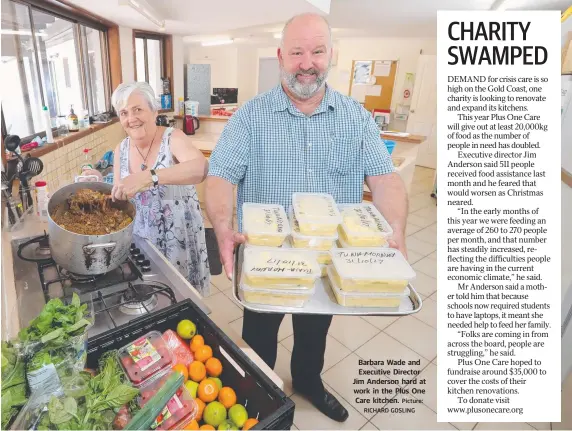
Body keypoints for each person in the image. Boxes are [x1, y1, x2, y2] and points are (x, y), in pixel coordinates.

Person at [205, 13, 408, 422]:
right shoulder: (251, 116)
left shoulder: (356, 117)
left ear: (330, 54)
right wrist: (223, 226)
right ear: (281, 56)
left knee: (314, 333)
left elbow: (385, 180)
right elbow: (220, 175)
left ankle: (307, 381)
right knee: (259, 337)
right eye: (297, 52)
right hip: (267, 259)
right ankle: (261, 398)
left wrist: (397, 229)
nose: (307, 62)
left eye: (316, 51)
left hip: (326, 259)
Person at [111, 82, 211, 296]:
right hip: (142, 241)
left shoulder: (173, 138)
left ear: (154, 110)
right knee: (153, 299)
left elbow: (201, 168)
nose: (131, 118)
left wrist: (150, 177)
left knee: (183, 298)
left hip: (180, 237)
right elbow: (120, 196)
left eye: (138, 109)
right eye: (124, 113)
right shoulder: (121, 149)